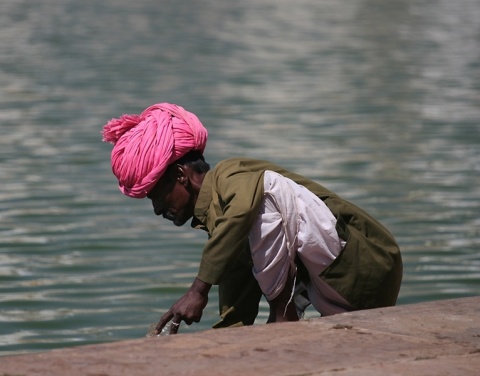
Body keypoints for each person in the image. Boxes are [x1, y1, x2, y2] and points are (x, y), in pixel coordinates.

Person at [102, 102, 403, 335]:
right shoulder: (224, 223)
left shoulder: (232, 176)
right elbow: (236, 307)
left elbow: (244, 211)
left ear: (181, 175)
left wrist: (198, 291)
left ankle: (282, 317)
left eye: (156, 196)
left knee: (265, 196)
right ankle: (282, 317)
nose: (157, 209)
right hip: (343, 290)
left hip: (366, 265)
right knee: (239, 238)